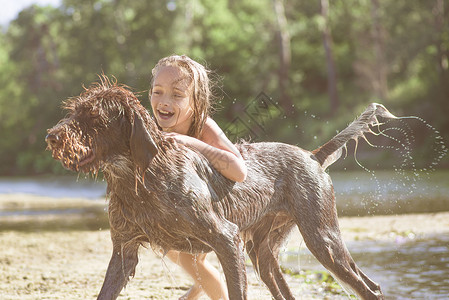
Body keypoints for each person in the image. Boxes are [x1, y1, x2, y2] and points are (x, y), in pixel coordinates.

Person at [149, 54, 247, 300]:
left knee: (187, 258)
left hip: (223, 207)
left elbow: (239, 171)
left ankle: (212, 293)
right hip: (190, 208)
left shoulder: (203, 127)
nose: (164, 101)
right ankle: (200, 285)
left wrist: (191, 142)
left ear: (196, 101)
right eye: (157, 91)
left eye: (177, 95)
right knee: (169, 249)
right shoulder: (155, 127)